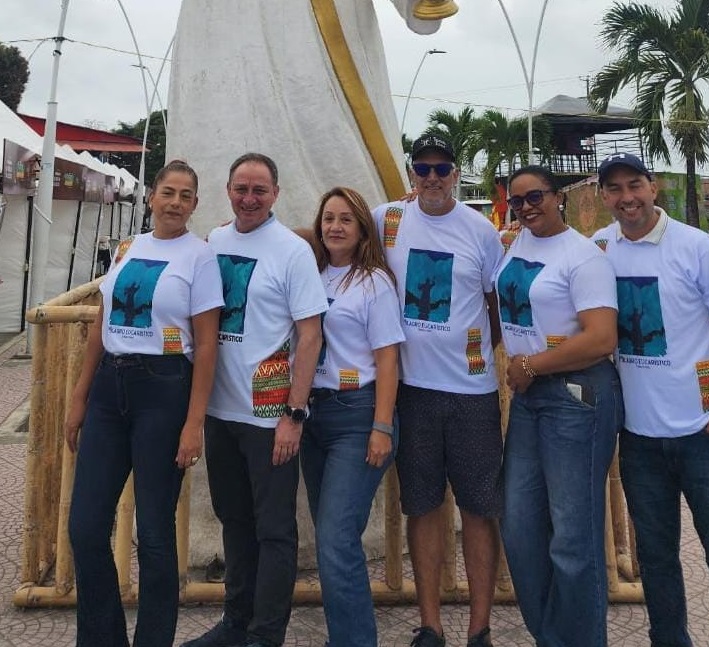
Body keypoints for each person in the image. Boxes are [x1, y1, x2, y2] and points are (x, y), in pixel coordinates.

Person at [592, 152, 709, 646]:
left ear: (653, 187)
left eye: (635, 186)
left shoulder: (699, 248)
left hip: (705, 435)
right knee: (658, 561)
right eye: (615, 189)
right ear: (604, 196)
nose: (627, 198)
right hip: (641, 439)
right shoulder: (599, 247)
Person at [64, 160, 224, 647]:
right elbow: (102, 322)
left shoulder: (201, 257)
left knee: (154, 533)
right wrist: (80, 396)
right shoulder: (129, 247)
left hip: (165, 389)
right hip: (111, 390)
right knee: (86, 526)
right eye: (168, 192)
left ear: (195, 205)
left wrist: (194, 421)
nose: (175, 202)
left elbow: (208, 343)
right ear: (152, 196)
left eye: (186, 195)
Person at [182, 153, 327, 647]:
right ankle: (235, 622)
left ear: (276, 195)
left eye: (259, 190)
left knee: (274, 530)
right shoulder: (215, 240)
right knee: (234, 520)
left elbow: (309, 335)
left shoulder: (292, 251)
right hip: (221, 412)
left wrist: (295, 412)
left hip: (269, 414)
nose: (249, 199)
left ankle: (267, 634)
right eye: (241, 188)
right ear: (227, 190)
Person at [372, 134, 504, 647]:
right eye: (422, 168)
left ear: (456, 172)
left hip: (471, 393)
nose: (431, 178)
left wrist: (471, 351)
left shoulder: (480, 230)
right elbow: (330, 237)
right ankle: (429, 625)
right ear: (411, 172)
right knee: (422, 507)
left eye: (441, 168)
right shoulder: (389, 219)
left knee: (478, 507)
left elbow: (496, 304)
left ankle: (479, 628)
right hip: (412, 390)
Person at [167, 0, 454, 233]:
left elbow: (426, 18)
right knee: (219, 121)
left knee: (324, 131)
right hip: (217, 31)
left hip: (309, 44)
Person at [495, 166, 622, 647]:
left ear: (558, 198)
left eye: (536, 197)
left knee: (573, 538)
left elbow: (601, 338)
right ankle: (552, 637)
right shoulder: (517, 245)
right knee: (520, 525)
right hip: (532, 398)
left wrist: (530, 364)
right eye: (518, 199)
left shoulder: (583, 257)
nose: (527, 206)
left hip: (576, 396)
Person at [301, 186, 404, 647]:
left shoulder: (374, 282)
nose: (335, 227)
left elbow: (387, 359)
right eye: (328, 219)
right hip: (313, 414)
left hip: (358, 413)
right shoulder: (313, 272)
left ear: (363, 228)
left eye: (346, 219)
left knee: (337, 538)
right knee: (332, 535)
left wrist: (382, 425)